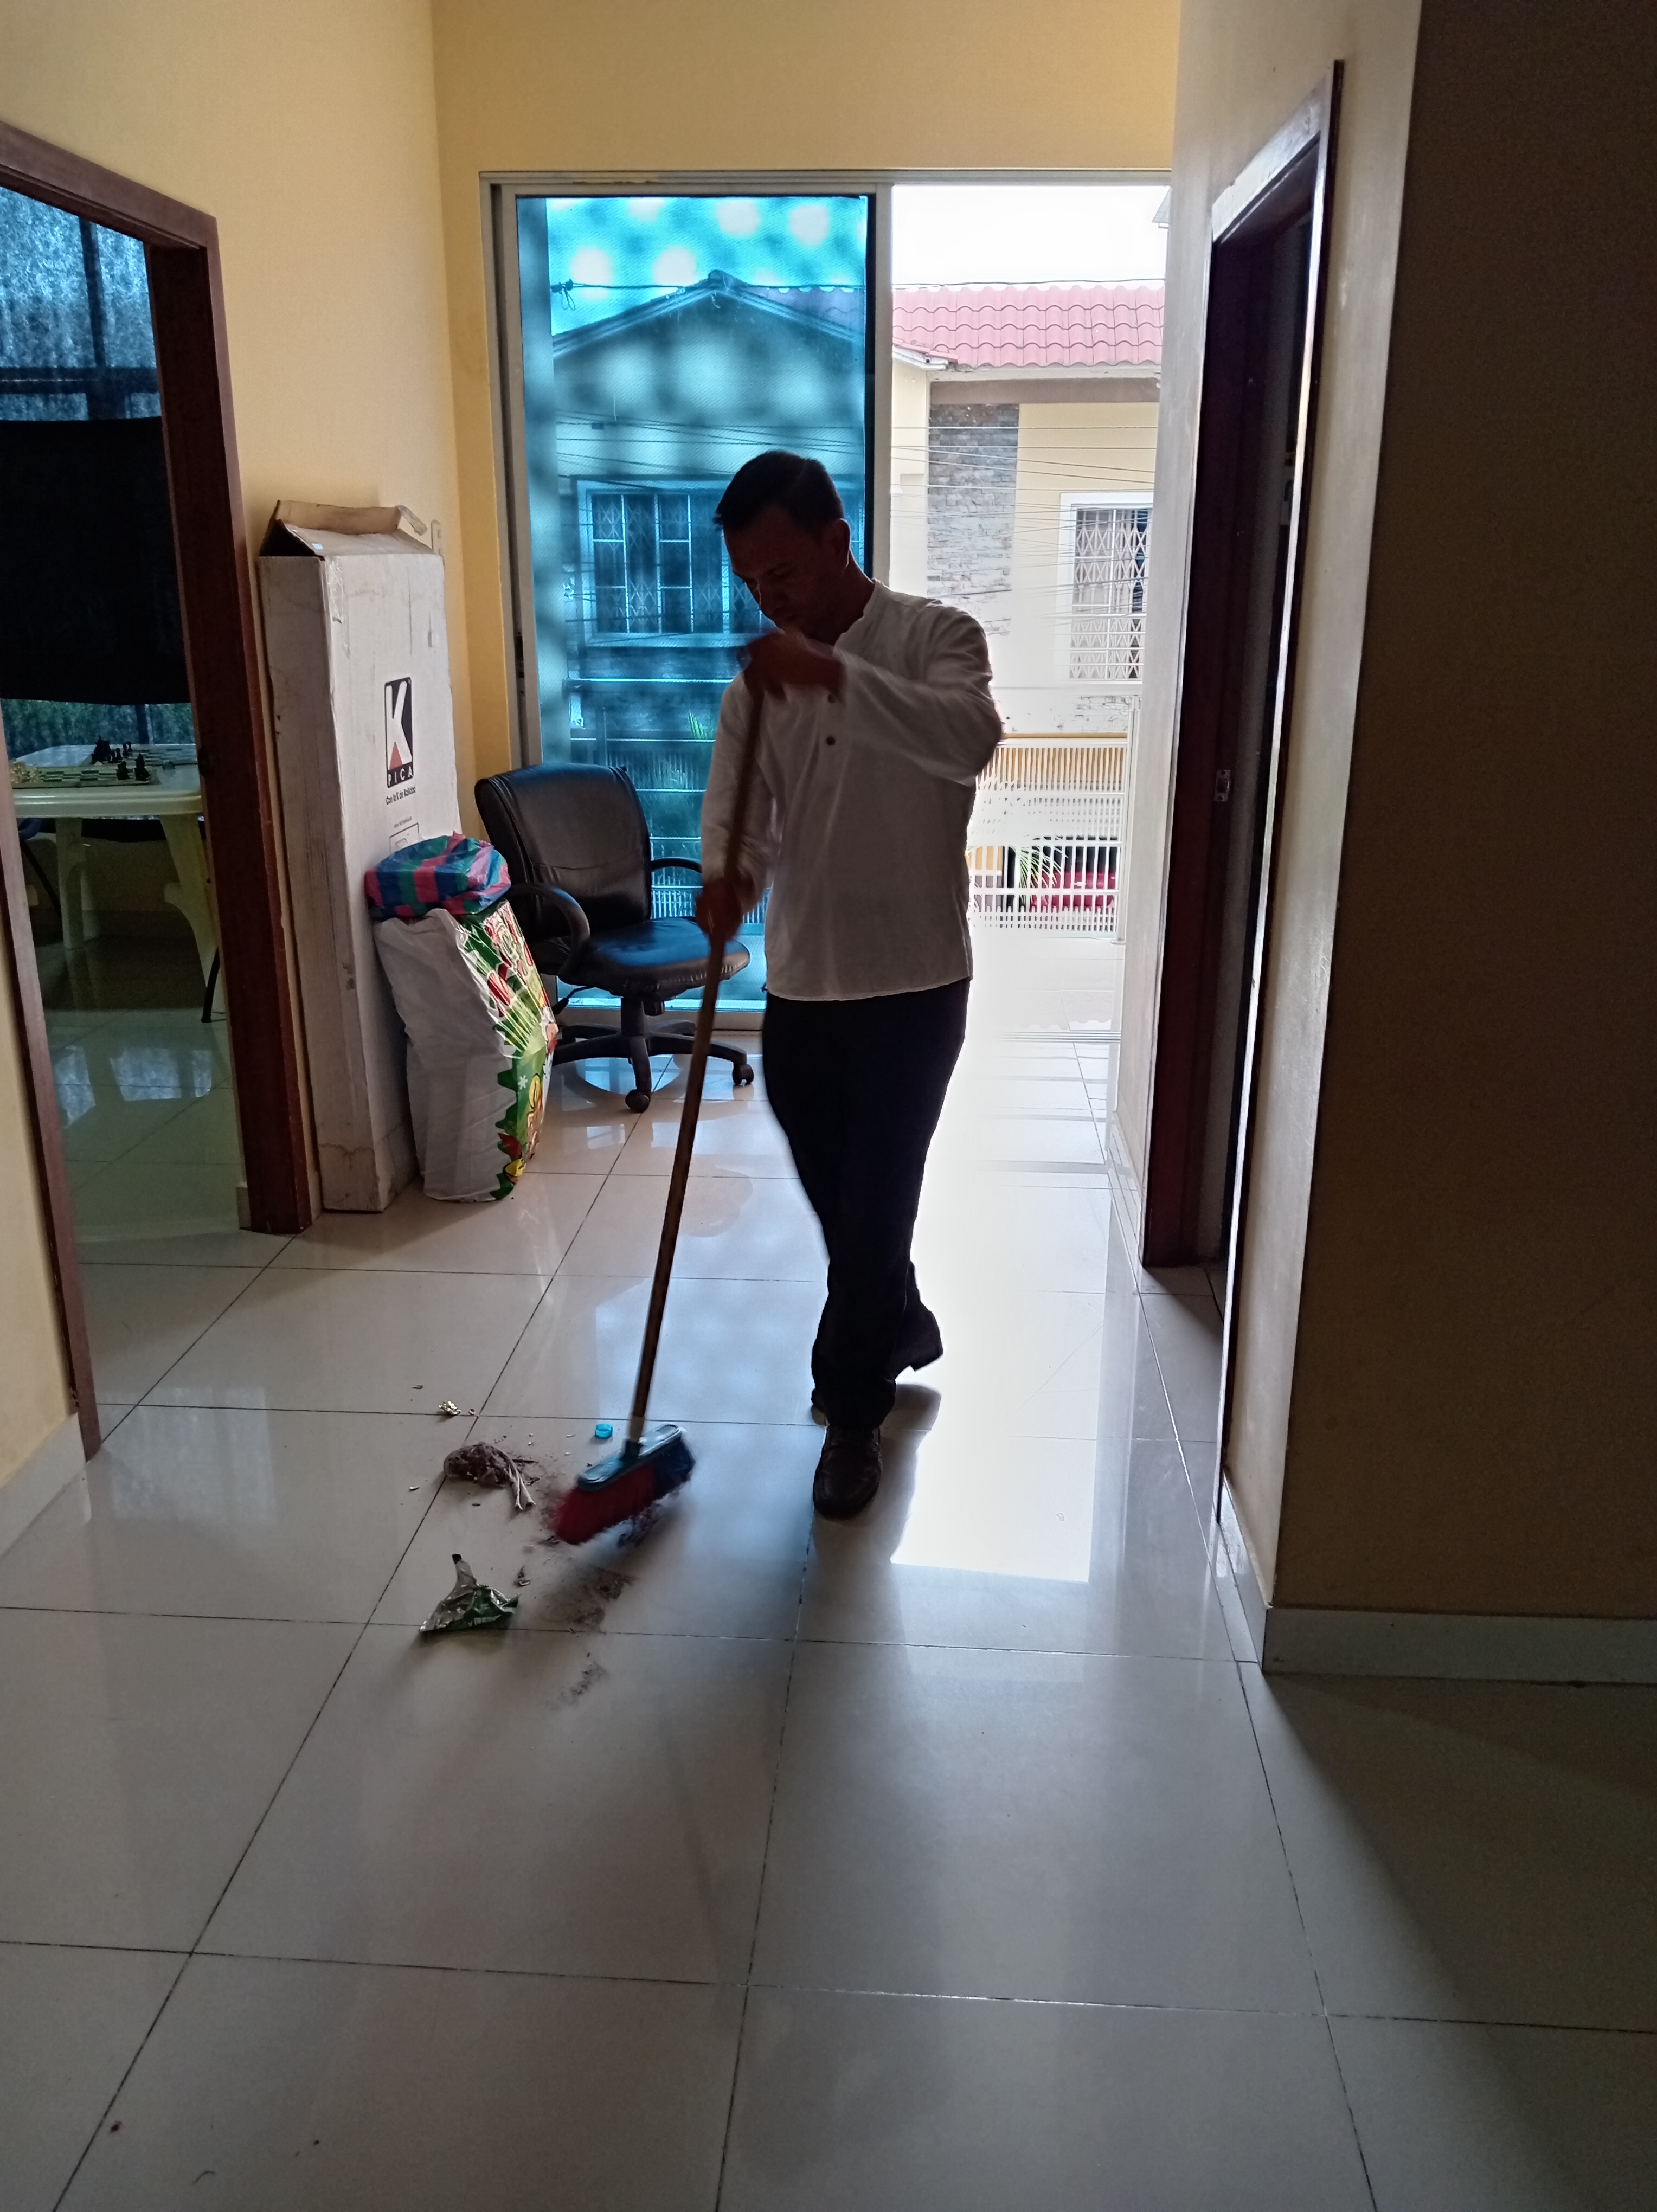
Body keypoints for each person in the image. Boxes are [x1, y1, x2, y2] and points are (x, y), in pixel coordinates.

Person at [698, 450, 1002, 1520]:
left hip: (915, 983)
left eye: (781, 572)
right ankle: (900, 1314)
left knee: (877, 1208)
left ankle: (851, 1411)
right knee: (848, 1208)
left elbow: (968, 742)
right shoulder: (756, 688)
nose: (766, 598)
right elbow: (740, 819)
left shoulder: (936, 637)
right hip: (802, 985)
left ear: (836, 542)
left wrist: (833, 677)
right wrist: (728, 880)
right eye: (750, 581)